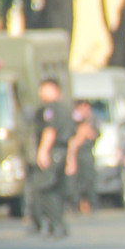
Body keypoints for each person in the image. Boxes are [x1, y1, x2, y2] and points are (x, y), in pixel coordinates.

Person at [33, 77, 74, 239]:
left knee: (45, 188)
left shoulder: (51, 108)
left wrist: (43, 151)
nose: (40, 93)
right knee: (56, 189)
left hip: (53, 150)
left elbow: (50, 131)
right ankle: (56, 225)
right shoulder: (65, 108)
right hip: (61, 151)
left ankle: (56, 225)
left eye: (43, 88)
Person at [67, 99, 99, 215]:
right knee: (75, 181)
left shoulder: (92, 120)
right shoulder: (72, 121)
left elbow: (93, 135)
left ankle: (90, 203)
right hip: (75, 153)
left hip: (86, 153)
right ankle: (76, 204)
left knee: (89, 179)